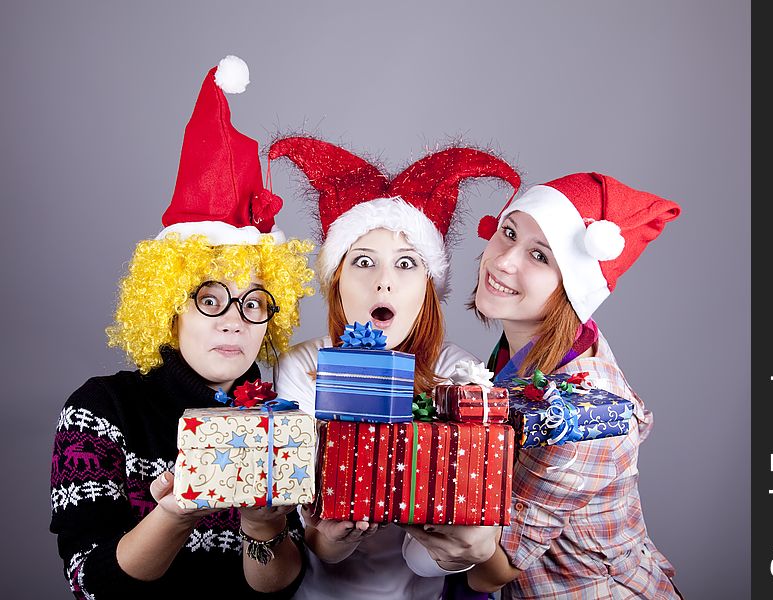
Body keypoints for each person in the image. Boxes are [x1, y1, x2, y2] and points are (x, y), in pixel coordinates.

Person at [49, 56, 314, 598]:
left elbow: (281, 588)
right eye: (212, 299)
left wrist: (263, 531)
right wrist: (174, 512)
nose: (236, 322)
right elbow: (92, 584)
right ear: (169, 306)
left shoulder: (280, 414)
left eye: (255, 302)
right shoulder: (101, 409)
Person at [268, 136, 521, 599]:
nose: (384, 280)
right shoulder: (303, 367)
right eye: (364, 262)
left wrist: (472, 542)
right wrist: (331, 537)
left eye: (407, 264)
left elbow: (431, 561)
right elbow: (312, 541)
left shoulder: (459, 376)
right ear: (337, 280)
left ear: (428, 286)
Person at [458, 172, 683, 598]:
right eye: (508, 233)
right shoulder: (526, 349)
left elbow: (496, 567)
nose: (504, 261)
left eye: (540, 256)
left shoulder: (585, 412)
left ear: (574, 288)